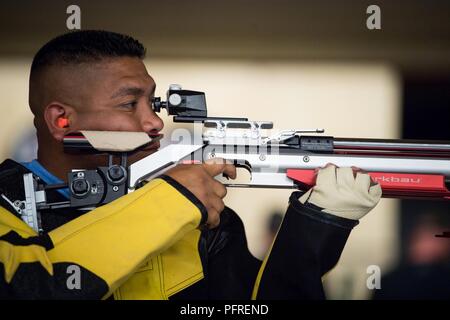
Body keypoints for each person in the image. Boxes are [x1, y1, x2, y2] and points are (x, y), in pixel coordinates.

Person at [0, 30, 382, 299]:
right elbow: (27, 288)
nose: (153, 122)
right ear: (61, 120)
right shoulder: (7, 208)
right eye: (128, 104)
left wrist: (318, 224)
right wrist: (169, 203)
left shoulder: (198, 219)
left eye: (153, 104)